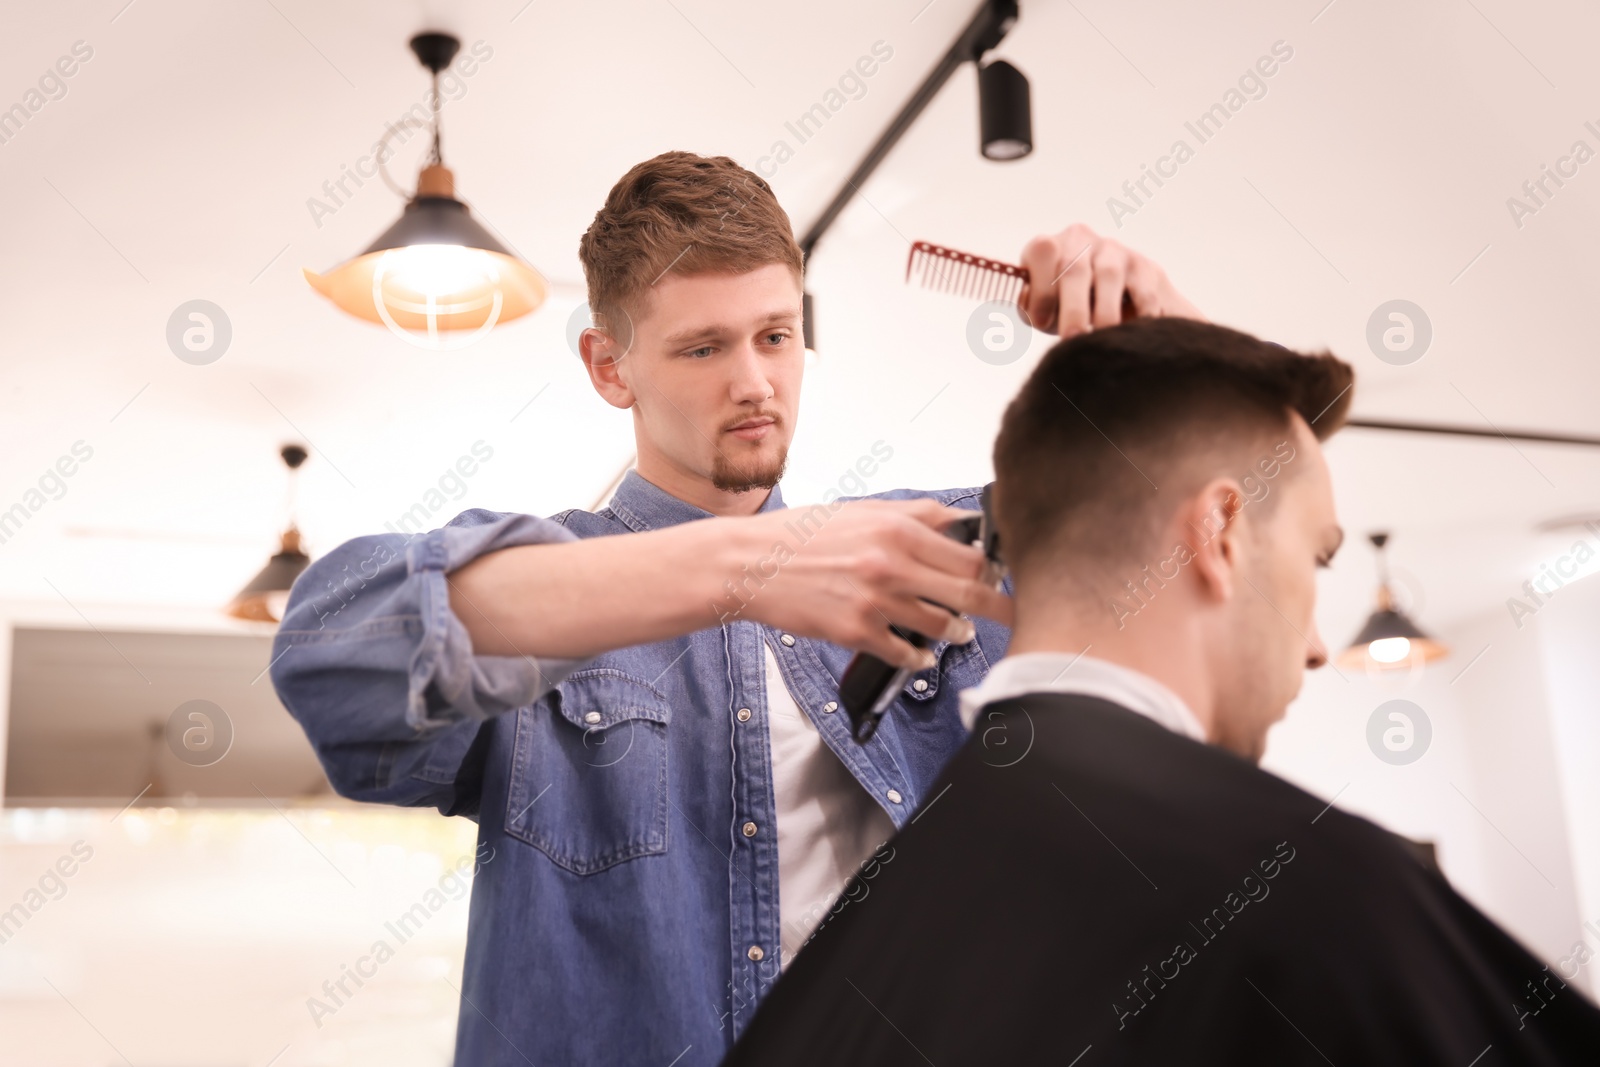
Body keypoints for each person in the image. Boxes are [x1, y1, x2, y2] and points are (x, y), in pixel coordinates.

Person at [268, 150, 1205, 1065]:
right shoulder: (554, 591)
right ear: (610, 368)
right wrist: (747, 567)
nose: (755, 381)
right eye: (703, 346)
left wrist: (1174, 345)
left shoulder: (926, 549)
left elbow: (1237, 521)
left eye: (776, 334)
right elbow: (331, 652)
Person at [721, 317, 1600, 1066]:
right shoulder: (1317, 897)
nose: (1320, 645)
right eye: (1315, 557)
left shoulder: (834, 982)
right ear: (1219, 531)